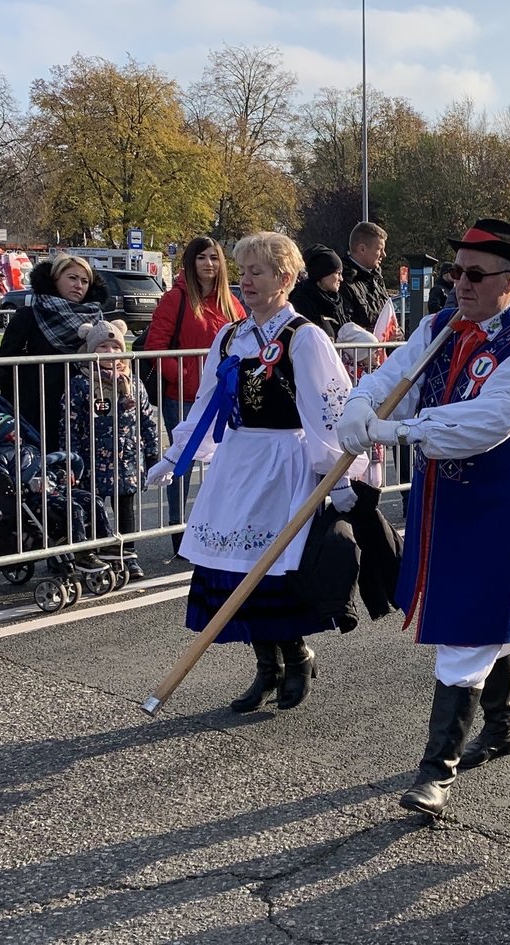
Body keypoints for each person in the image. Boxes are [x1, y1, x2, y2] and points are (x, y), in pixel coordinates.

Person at [336, 218, 510, 818]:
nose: (459, 282)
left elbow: (484, 425)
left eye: (473, 274)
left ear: (508, 281)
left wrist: (395, 430)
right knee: (476, 613)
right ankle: (505, 719)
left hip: (493, 503)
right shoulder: (439, 326)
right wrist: (361, 403)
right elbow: (397, 376)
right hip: (440, 499)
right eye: (454, 271)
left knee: (470, 624)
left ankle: (436, 769)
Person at [144, 232, 365, 713]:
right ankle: (266, 667)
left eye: (256, 272)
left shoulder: (305, 337)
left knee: (273, 572)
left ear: (285, 279)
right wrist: (175, 455)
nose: (244, 280)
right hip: (236, 460)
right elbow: (206, 405)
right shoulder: (230, 337)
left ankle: (296, 655)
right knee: (231, 569)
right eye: (242, 271)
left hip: (284, 461)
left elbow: (327, 410)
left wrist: (340, 475)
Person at [143, 237, 241, 554]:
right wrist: (184, 378)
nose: (209, 264)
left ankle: (218, 526)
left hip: (224, 397)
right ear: (190, 262)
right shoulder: (176, 299)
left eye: (214, 257)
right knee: (181, 463)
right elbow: (155, 348)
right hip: (183, 396)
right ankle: (178, 529)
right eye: (202, 258)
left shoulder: (231, 303)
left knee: (224, 463)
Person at [64, 319, 160, 579]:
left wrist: (152, 452)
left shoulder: (132, 382)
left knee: (126, 508)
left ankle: (127, 555)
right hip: (91, 459)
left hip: (127, 458)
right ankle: (98, 553)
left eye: (115, 347)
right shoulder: (80, 385)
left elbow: (146, 419)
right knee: (94, 509)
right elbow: (70, 425)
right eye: (103, 347)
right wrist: (70, 460)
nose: (110, 353)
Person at [0, 254, 106, 454]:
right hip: (34, 410)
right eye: (72, 278)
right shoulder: (29, 315)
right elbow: (4, 360)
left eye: (85, 281)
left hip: (78, 412)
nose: (79, 285)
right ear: (55, 279)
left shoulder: (97, 321)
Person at [338, 221, 389, 334]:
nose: (384, 255)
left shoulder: (377, 278)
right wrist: (378, 334)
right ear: (362, 249)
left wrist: (396, 333)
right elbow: (347, 327)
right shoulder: (343, 280)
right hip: (362, 350)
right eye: (380, 249)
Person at [289, 244, 347, 338]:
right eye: (338, 273)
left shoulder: (334, 301)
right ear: (323, 273)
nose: (341, 279)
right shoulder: (302, 302)